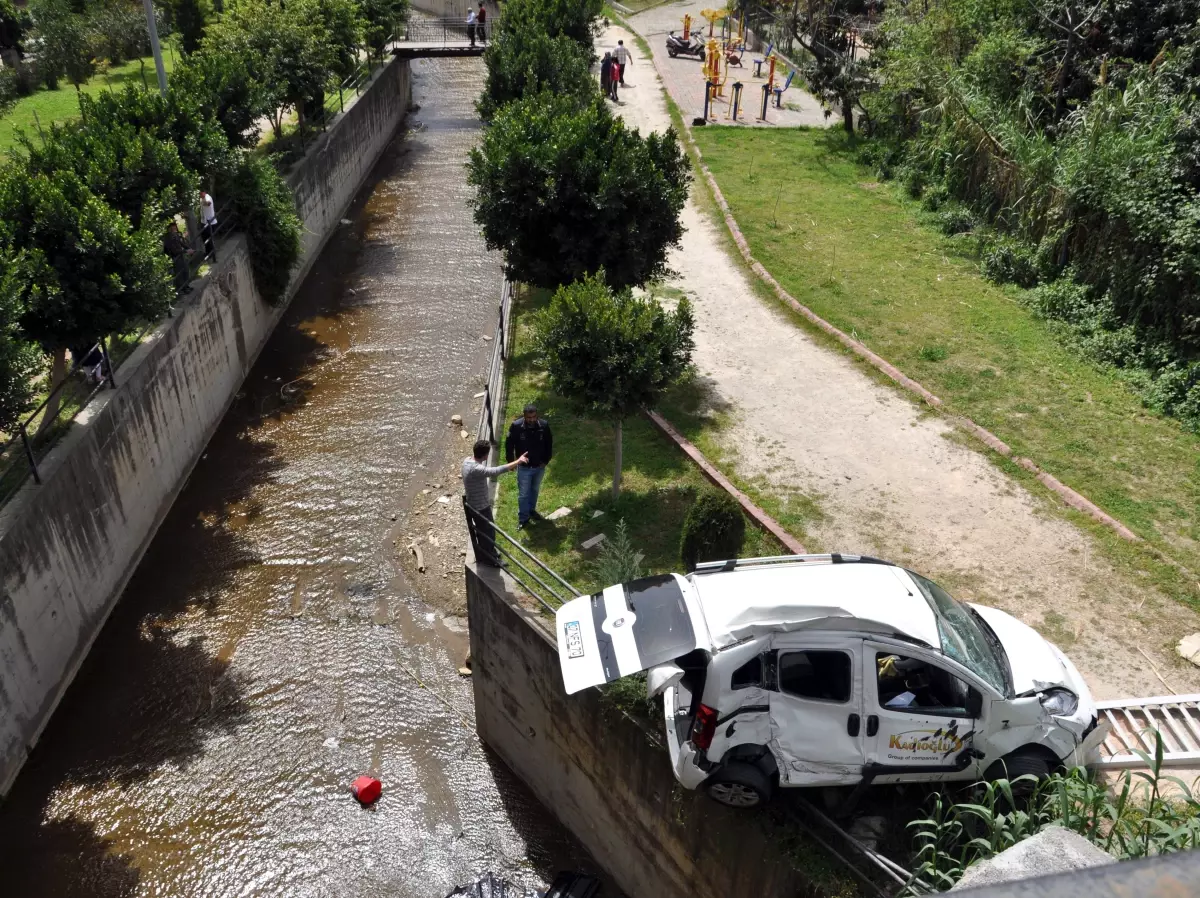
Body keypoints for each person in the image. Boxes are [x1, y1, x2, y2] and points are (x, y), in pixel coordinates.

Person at [463, 440, 528, 566]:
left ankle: (486, 553)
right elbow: (496, 471)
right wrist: (518, 461)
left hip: (473, 504)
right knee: (488, 533)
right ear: (486, 455)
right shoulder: (477, 469)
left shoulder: (467, 461)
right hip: (480, 507)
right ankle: (491, 559)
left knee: (482, 532)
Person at [506, 403, 553, 529]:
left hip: (539, 466)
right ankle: (523, 518)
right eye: (529, 418)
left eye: (534, 417)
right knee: (523, 494)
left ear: (537, 416)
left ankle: (531, 510)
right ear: (524, 416)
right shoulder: (516, 427)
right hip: (524, 468)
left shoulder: (544, 425)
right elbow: (509, 446)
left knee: (535, 490)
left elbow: (549, 444)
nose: (531, 420)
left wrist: (546, 460)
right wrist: (511, 463)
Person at [164, 221, 194, 295]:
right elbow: (174, 251)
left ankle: (186, 286)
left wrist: (188, 248)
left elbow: (181, 243)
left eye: (175, 228)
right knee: (179, 273)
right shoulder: (168, 238)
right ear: (169, 229)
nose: (174, 229)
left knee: (186, 270)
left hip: (181, 255)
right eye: (172, 228)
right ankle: (182, 289)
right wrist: (185, 251)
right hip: (175, 257)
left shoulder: (176, 235)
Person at [199, 191, 218, 258]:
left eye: (201, 193)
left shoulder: (207, 197)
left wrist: (204, 202)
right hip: (204, 222)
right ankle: (208, 253)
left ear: (204, 192)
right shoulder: (201, 198)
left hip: (210, 223)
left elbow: (209, 203)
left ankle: (212, 254)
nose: (200, 195)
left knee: (209, 239)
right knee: (205, 238)